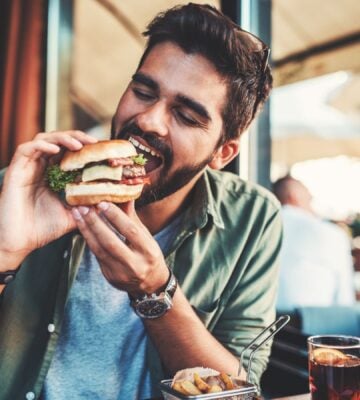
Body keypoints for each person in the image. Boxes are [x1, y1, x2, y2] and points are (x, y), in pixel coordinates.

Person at [0, 4, 281, 399]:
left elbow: (239, 394)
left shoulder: (252, 218)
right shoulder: (26, 189)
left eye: (185, 115)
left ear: (223, 153)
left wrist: (156, 292)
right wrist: (5, 252)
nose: (148, 120)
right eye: (144, 91)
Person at [273, 175, 356, 312]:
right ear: (294, 197)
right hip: (310, 324)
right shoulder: (330, 233)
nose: (312, 206)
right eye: (310, 199)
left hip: (262, 326)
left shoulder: (257, 227)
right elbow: (344, 299)